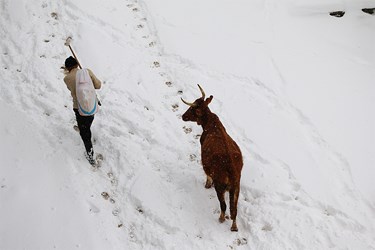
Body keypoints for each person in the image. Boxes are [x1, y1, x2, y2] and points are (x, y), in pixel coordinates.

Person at [63, 56, 102, 165]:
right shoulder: (87, 72)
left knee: (85, 133)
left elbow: (72, 89)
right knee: (87, 123)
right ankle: (84, 128)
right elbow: (98, 85)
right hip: (91, 105)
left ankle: (90, 156)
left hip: (78, 108)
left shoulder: (66, 79)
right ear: (77, 63)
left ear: (67, 68)